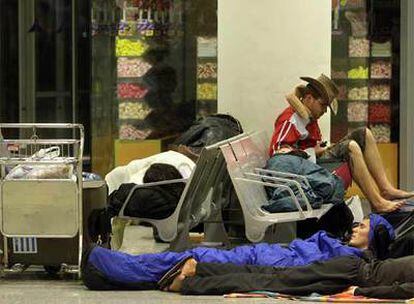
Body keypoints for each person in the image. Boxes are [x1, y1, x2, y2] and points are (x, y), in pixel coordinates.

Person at [81, 214, 394, 290]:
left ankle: (105, 266)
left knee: (185, 258)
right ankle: (115, 266)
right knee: (181, 257)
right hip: (264, 255)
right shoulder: (342, 250)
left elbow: (300, 268)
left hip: (260, 260)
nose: (354, 228)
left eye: (362, 226)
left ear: (373, 239)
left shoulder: (347, 259)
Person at [268, 74, 413, 213]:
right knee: (351, 147)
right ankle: (377, 202)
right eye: (323, 105)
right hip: (308, 167)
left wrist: (318, 148)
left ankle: (386, 189)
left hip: (313, 158)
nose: (325, 111)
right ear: (309, 98)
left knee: (364, 134)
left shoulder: (310, 117)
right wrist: (312, 152)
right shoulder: (291, 119)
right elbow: (279, 155)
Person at [165, 255, 414, 299]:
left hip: (350, 266)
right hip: (350, 276)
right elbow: (401, 290)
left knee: (274, 275)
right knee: (271, 282)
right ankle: (190, 284)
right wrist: (361, 293)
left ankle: (201, 269)